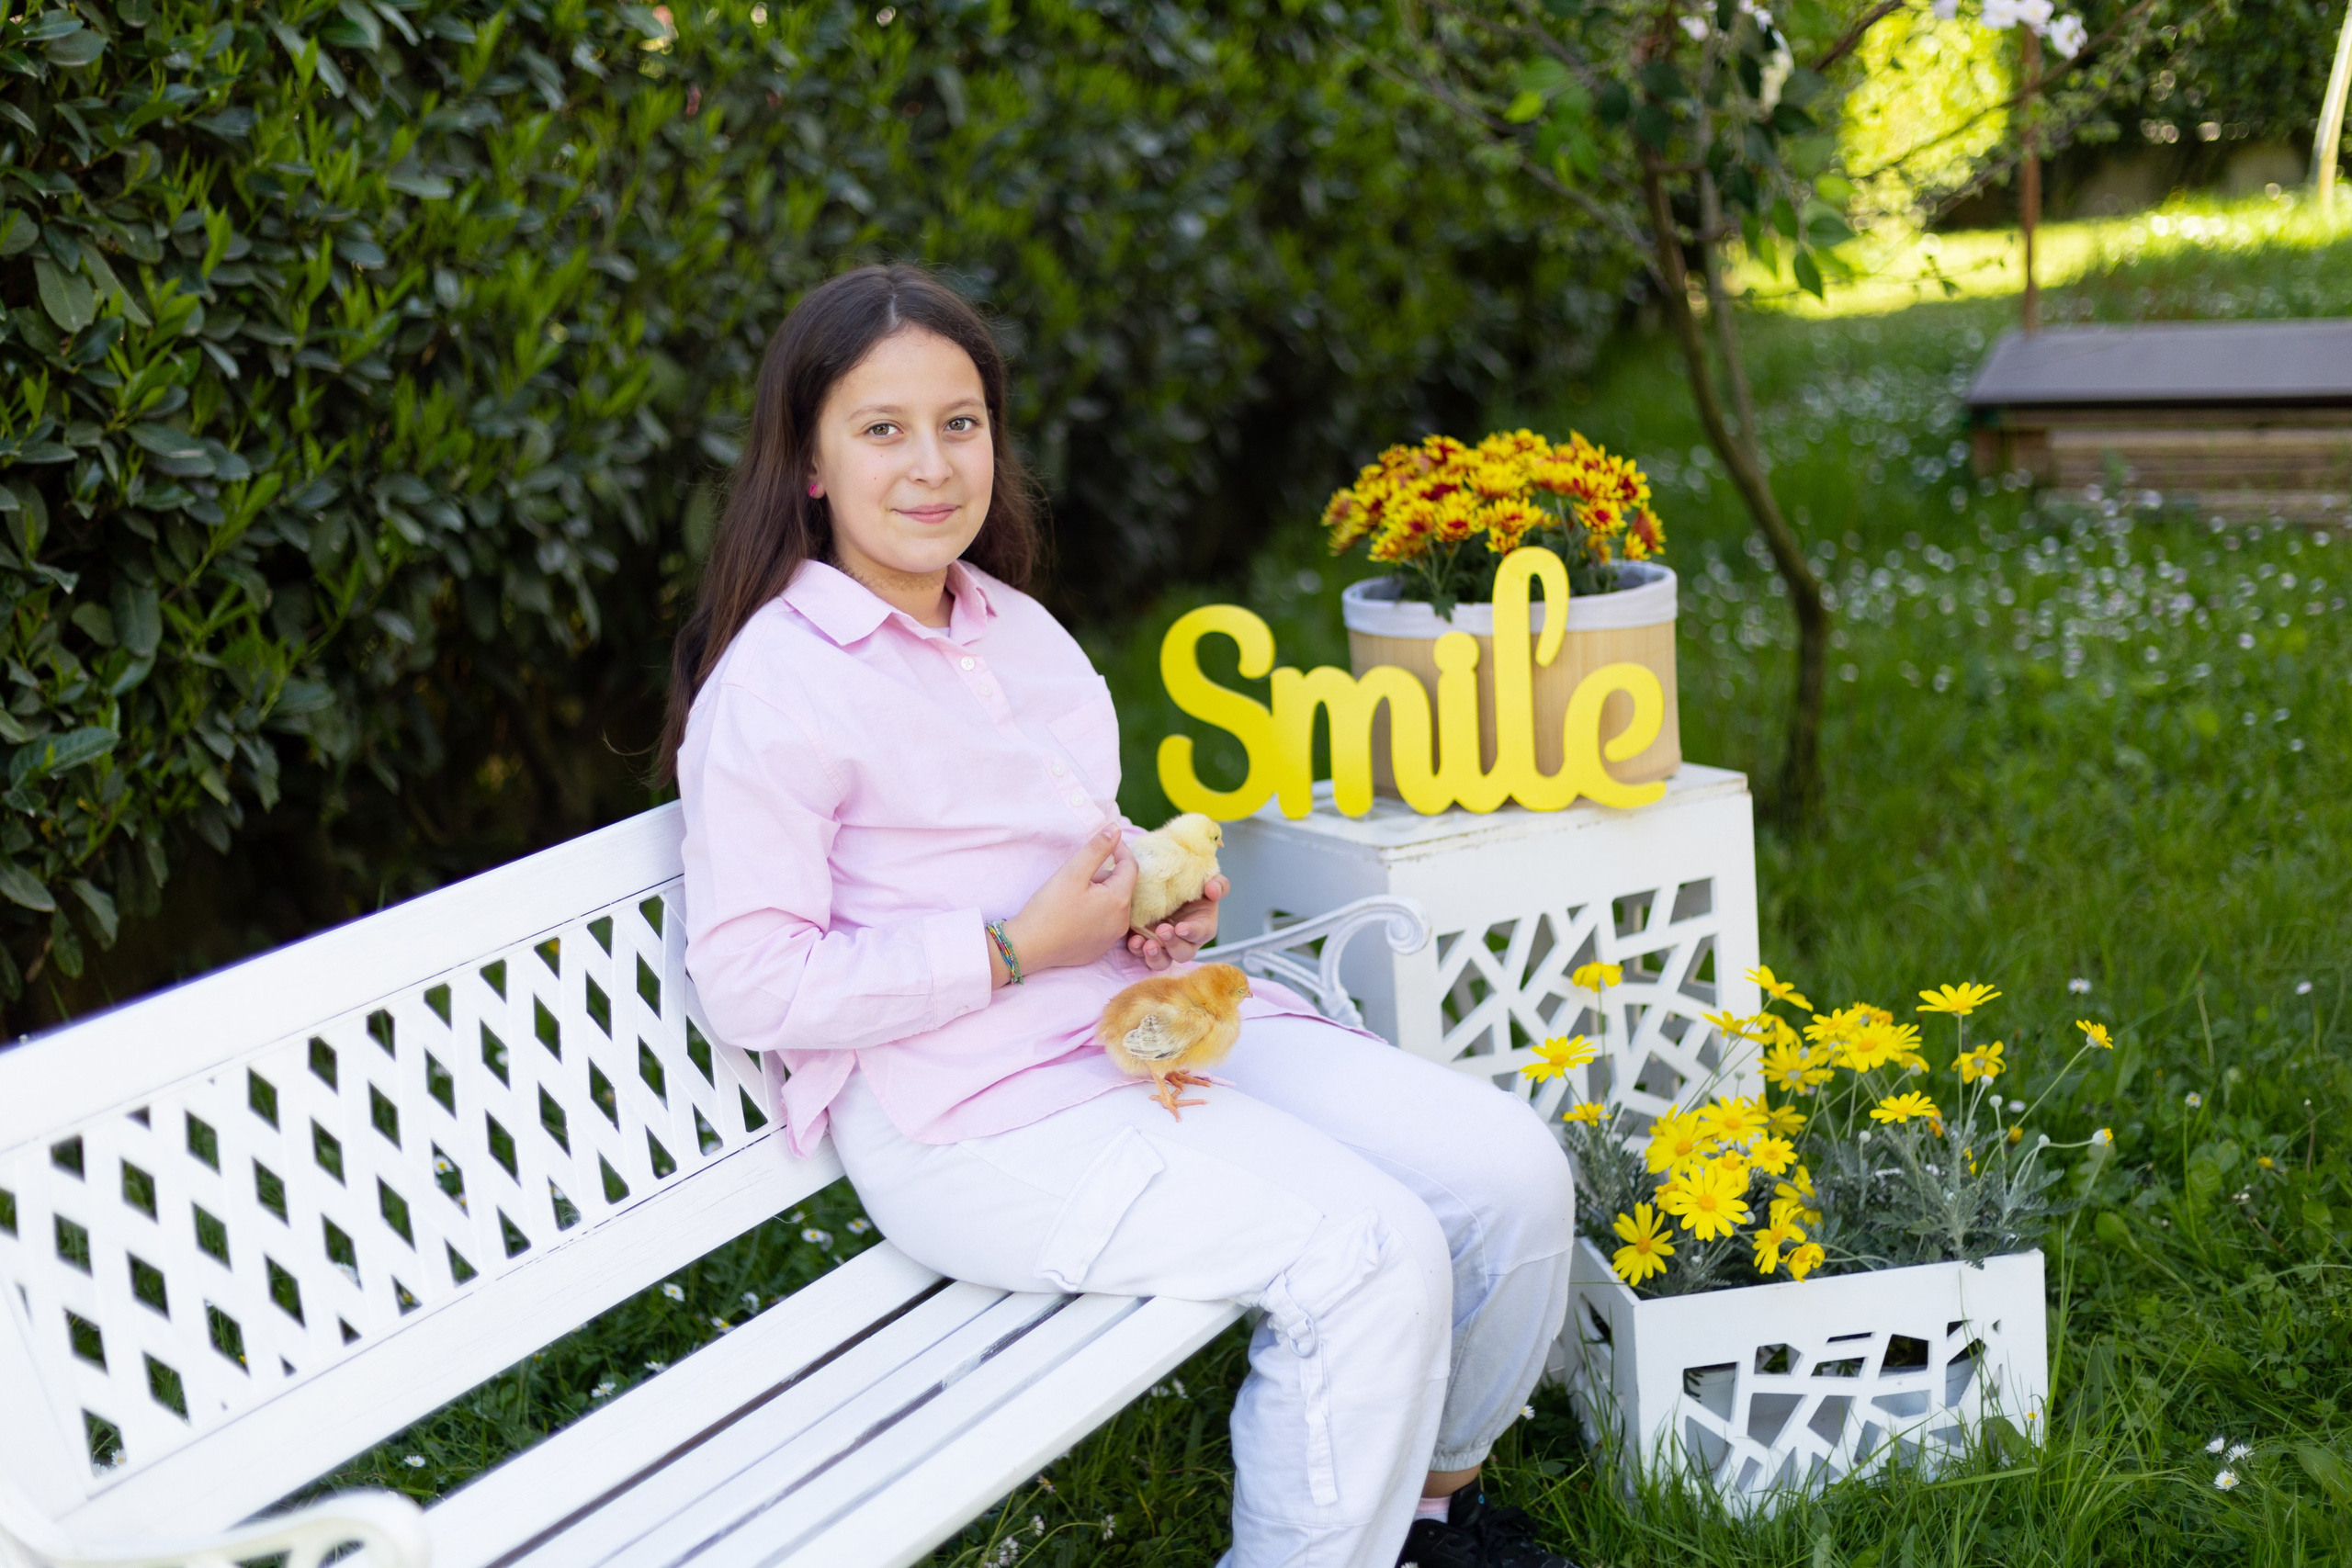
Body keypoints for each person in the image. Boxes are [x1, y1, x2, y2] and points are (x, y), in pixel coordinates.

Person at [662, 264, 1576, 1568]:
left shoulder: (1014, 630)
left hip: (1138, 1028)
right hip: (968, 1116)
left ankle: (1433, 1515)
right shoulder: (779, 688)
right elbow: (751, 979)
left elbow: (1071, 854)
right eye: (882, 430)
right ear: (808, 464)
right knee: (1369, 1252)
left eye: (960, 423)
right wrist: (1015, 949)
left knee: (1510, 1175)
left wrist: (1149, 910)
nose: (931, 465)